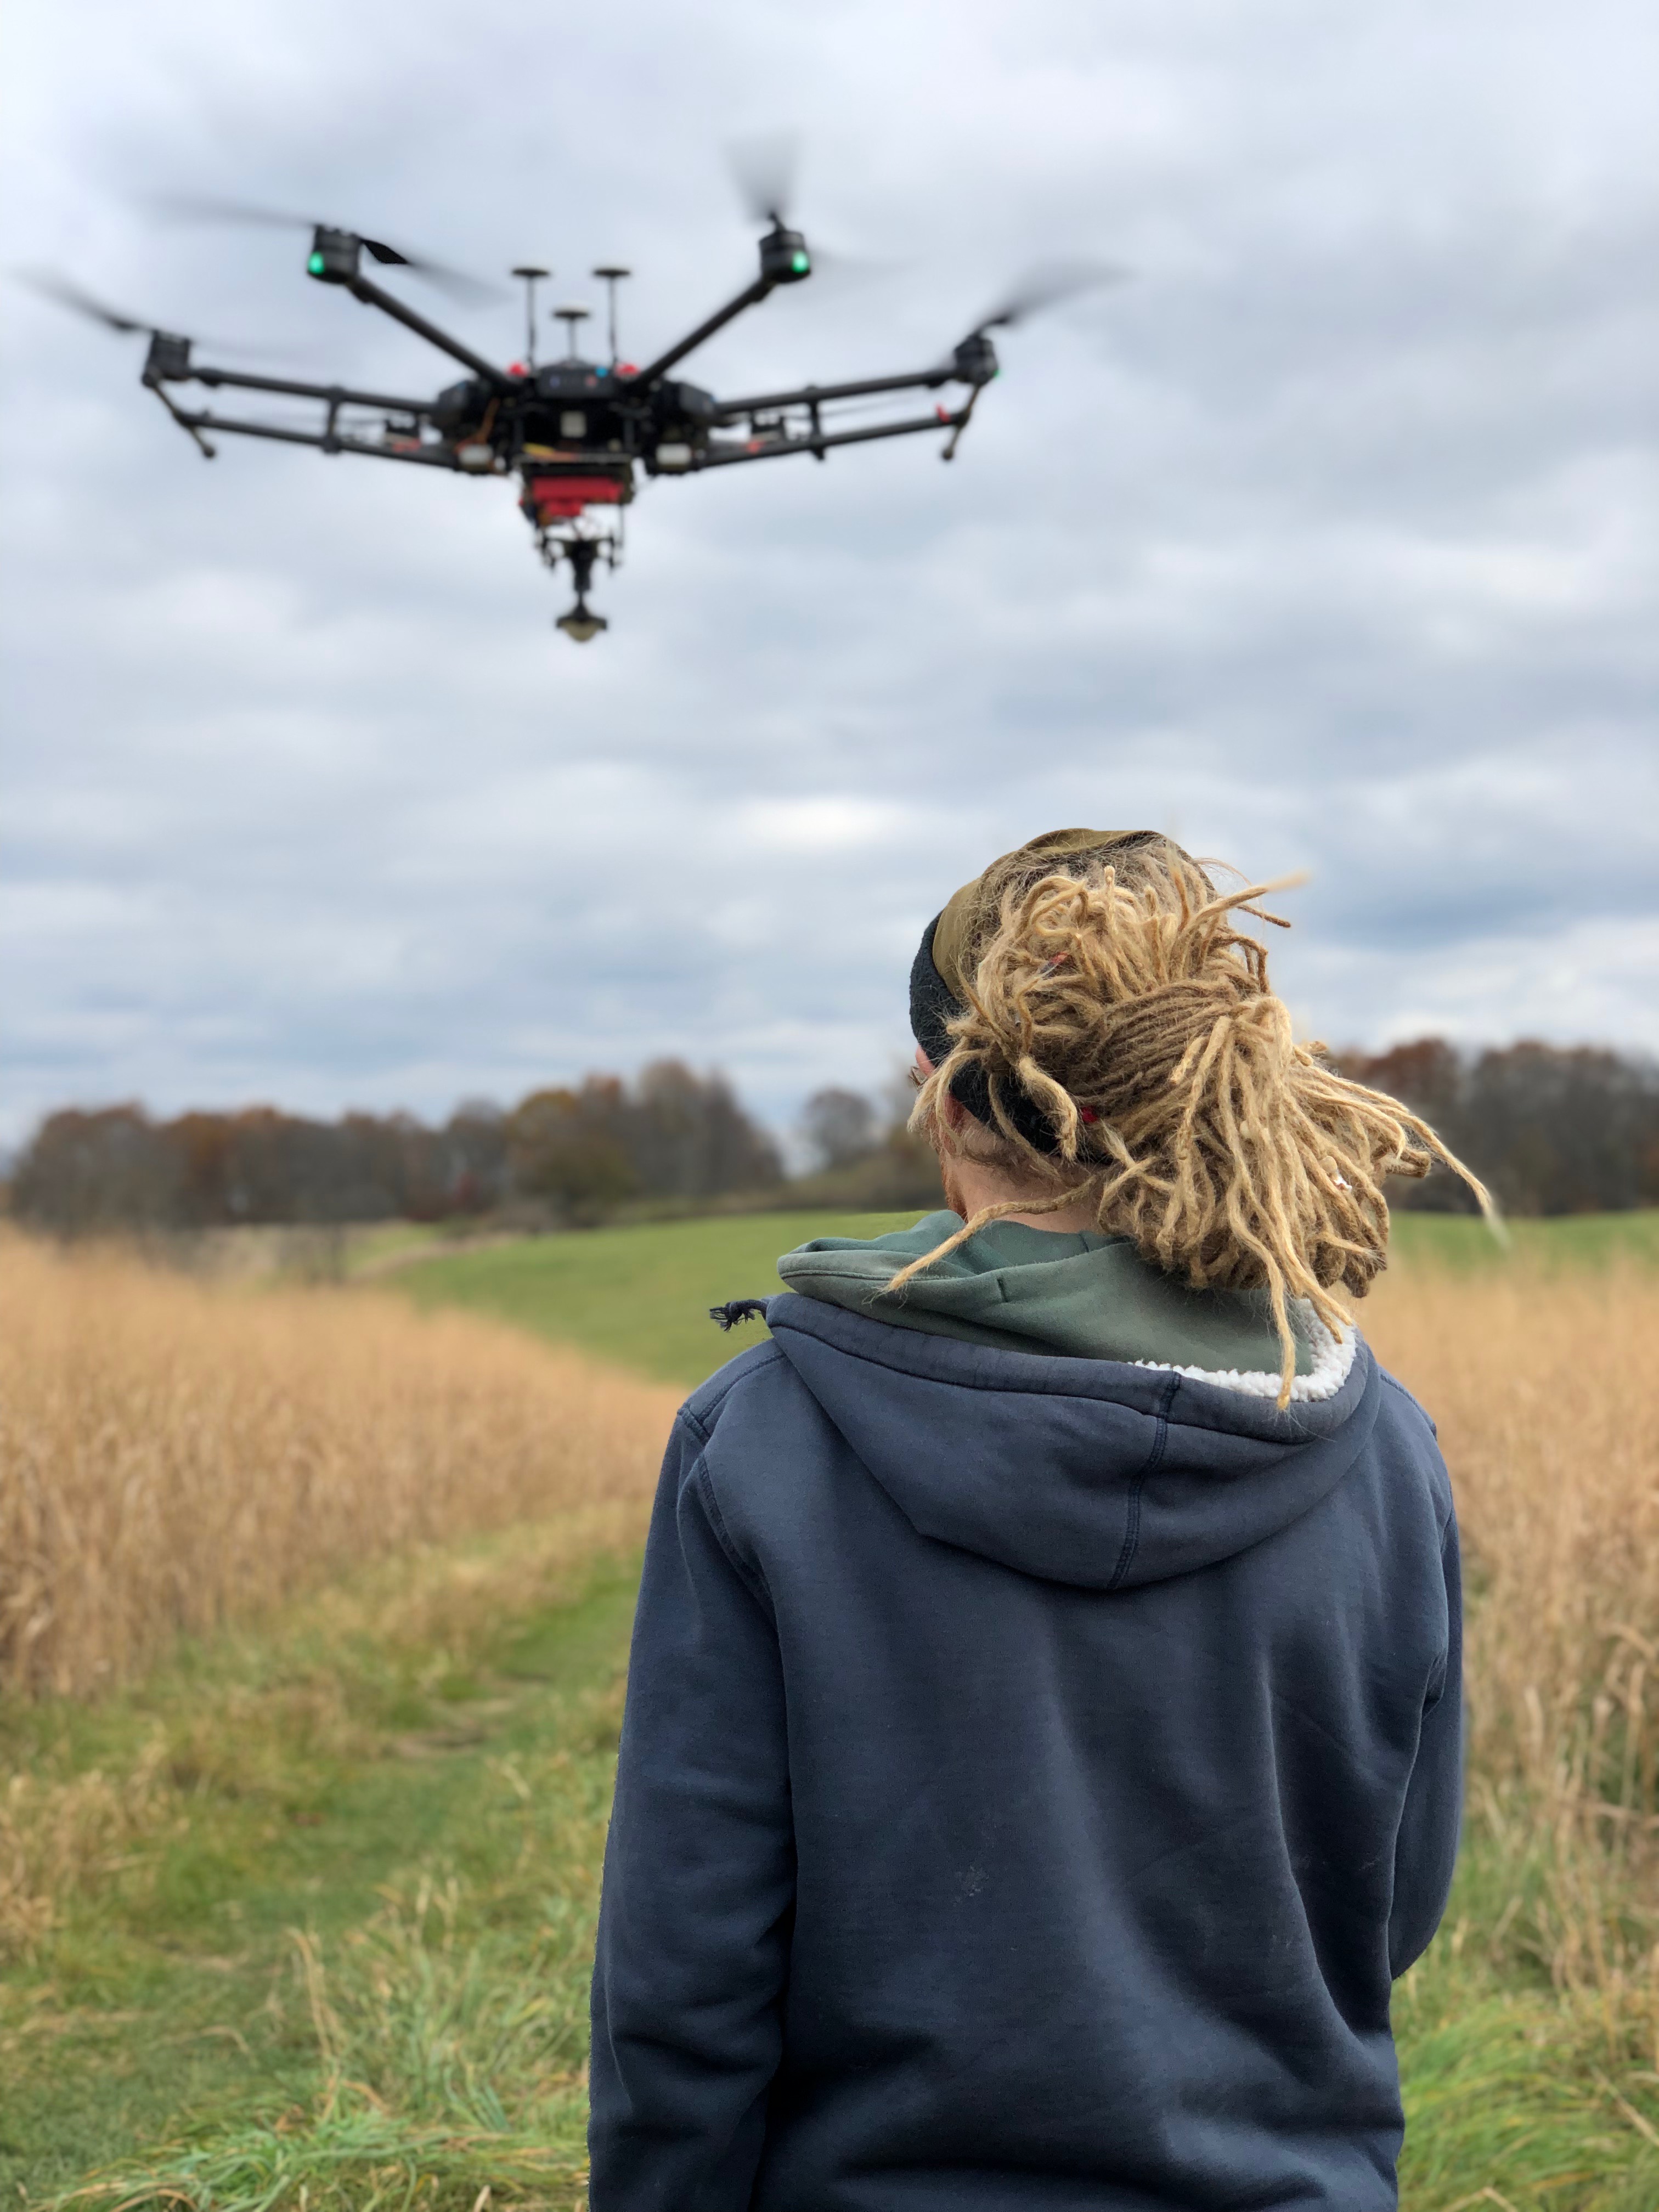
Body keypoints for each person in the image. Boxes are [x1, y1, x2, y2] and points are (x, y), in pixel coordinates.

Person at [589, 828, 1490, 2212]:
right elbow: (1392, 1906)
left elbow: (687, 1967)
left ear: (942, 1095)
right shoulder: (1382, 1449)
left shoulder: (761, 1441)